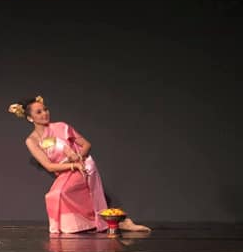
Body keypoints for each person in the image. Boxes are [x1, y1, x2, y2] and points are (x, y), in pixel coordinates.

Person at [8, 95, 150, 234]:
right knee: (53, 196)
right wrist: (72, 165)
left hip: (83, 166)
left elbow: (86, 145)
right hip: (66, 170)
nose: (45, 113)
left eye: (45, 109)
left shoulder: (62, 127)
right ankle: (110, 222)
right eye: (39, 112)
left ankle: (112, 222)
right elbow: (49, 166)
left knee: (61, 193)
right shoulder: (31, 141)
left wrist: (78, 159)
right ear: (30, 118)